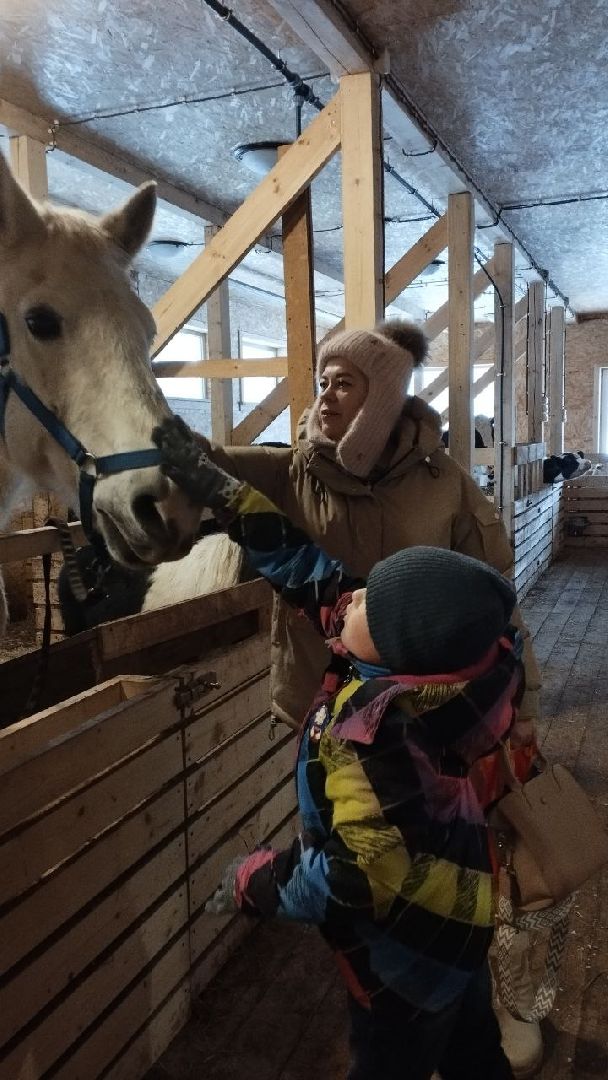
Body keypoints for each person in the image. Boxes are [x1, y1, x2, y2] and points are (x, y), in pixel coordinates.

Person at [163, 320, 544, 1077]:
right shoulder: (444, 694)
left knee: (393, 1051)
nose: (347, 602)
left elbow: (350, 876)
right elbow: (307, 568)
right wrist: (189, 464)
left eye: (346, 383)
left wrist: (261, 881)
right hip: (452, 919)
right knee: (470, 1031)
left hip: (395, 966)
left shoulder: (372, 739)